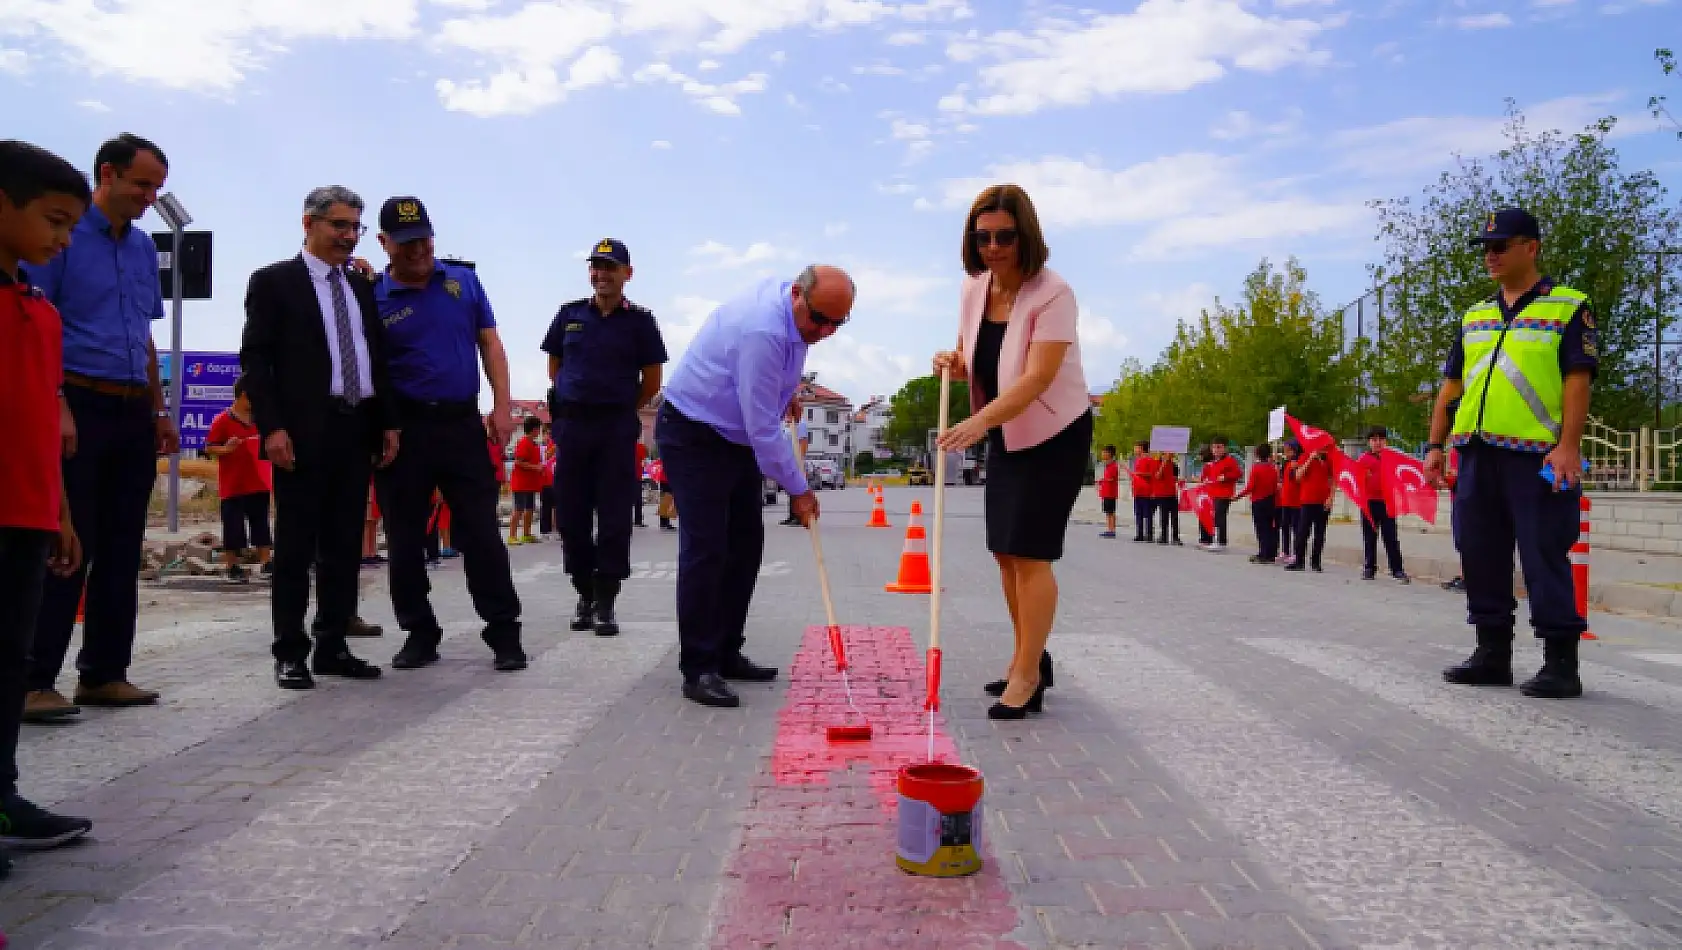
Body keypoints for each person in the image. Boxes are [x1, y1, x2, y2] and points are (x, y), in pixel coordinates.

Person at [20, 134, 174, 723]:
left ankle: (105, 674)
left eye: (157, 187)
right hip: (76, 403)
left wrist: (159, 410)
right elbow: (43, 325)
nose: (149, 197)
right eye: (141, 184)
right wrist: (56, 403)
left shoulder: (141, 250)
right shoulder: (60, 238)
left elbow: (144, 335)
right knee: (67, 545)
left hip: (132, 407)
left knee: (119, 546)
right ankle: (35, 680)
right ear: (106, 174)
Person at [657, 265, 851, 707]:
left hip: (733, 434)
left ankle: (727, 650)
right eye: (821, 320)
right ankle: (699, 666)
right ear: (798, 295)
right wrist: (799, 490)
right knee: (707, 549)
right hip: (694, 431)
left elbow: (764, 393)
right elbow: (764, 429)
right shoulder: (763, 330)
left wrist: (785, 392)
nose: (826, 331)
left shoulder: (794, 316)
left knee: (745, 546)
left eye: (838, 324)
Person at [932, 184, 1091, 722]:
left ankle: (1026, 677)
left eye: (1004, 236)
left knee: (1031, 553)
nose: (993, 247)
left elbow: (1038, 377)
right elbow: (975, 352)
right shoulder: (974, 288)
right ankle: (1030, 656)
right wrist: (952, 361)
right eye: (983, 237)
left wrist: (977, 422)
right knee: (1004, 552)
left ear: (1027, 235)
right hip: (1004, 431)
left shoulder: (1054, 293)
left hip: (1053, 433)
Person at [1426, 207, 1598, 700]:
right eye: (1486, 248)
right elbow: (1451, 386)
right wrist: (1436, 445)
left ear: (1532, 248)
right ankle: (1491, 654)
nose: (1491, 256)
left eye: (1502, 246)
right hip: (1476, 455)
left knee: (1545, 553)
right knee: (1478, 553)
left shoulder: (1568, 307)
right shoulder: (1474, 315)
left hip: (1538, 457)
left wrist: (1568, 446)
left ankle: (1560, 664)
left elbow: (1576, 381)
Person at [240, 185, 399, 690]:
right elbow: (256, 360)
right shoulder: (274, 283)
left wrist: (387, 422)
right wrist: (273, 427)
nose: (348, 237)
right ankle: (290, 651)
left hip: (355, 428)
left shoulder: (360, 287)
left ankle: (333, 644)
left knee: (342, 546)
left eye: (355, 227)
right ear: (307, 223)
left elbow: (377, 357)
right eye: (338, 225)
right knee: (294, 546)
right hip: (302, 431)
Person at [369, 196, 525, 672]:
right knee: (404, 537)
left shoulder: (464, 280)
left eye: (424, 240)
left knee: (480, 533)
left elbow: (490, 344)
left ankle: (504, 633)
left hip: (461, 425)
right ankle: (419, 632)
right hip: (403, 432)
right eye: (406, 243)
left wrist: (502, 406)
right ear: (384, 244)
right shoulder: (372, 296)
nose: (418, 251)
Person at [0, 139, 97, 880]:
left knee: (11, 664)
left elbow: (41, 424)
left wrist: (60, 514)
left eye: (71, 228)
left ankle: (3, 796)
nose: (63, 240)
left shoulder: (40, 310)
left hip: (30, 514)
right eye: (54, 221)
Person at [541, 239, 668, 638]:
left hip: (615, 430)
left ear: (627, 274)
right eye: (595, 267)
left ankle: (607, 600)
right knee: (573, 518)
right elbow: (555, 368)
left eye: (610, 267)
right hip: (574, 429)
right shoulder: (569, 316)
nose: (601, 274)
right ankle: (584, 591)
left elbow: (651, 381)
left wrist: (618, 405)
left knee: (615, 520)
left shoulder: (641, 322)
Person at [205, 377, 273, 583]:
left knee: (260, 523)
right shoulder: (222, 421)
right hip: (233, 484)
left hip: (257, 481)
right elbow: (209, 448)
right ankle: (233, 565)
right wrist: (226, 449)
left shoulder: (260, 420)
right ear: (243, 395)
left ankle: (266, 562)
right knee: (233, 526)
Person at [1358, 426, 1410, 584]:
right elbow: (1355, 482)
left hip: (1388, 503)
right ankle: (1369, 568)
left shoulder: (1392, 458)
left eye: (1381, 439)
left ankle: (1397, 570)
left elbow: (1401, 476)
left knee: (1391, 537)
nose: (1378, 442)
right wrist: (1363, 477)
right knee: (1369, 537)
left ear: (1385, 441)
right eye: (1374, 439)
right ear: (1369, 442)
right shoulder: (1363, 459)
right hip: (1369, 503)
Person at [1286, 444, 1332, 573]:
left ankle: (1316, 562)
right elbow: (1298, 477)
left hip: (1323, 501)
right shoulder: (1304, 456)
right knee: (1303, 532)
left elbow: (1332, 478)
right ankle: (1299, 561)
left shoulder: (1328, 459)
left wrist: (1331, 497)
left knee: (1320, 533)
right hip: (1307, 500)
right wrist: (1310, 459)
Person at [1236, 443, 1279, 564]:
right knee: (1270, 528)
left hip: (1258, 501)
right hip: (1270, 500)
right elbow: (1275, 486)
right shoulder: (1273, 468)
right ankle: (1271, 554)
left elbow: (1250, 487)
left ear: (1256, 454)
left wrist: (1238, 496)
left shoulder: (1256, 468)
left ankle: (1263, 553)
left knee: (1261, 528)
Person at [1198, 438, 1241, 551]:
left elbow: (1238, 473)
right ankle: (1212, 540)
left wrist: (1225, 477)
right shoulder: (1213, 462)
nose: (1216, 450)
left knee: (1219, 517)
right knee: (1214, 517)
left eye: (1219, 447)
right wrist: (1207, 480)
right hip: (1213, 493)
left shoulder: (1230, 460)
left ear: (1224, 448)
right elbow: (1210, 477)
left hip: (1224, 494)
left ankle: (1221, 542)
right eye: (1214, 447)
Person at [509, 416, 545, 545]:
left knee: (529, 509)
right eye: (538, 429)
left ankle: (526, 533)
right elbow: (519, 462)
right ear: (534, 430)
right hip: (521, 483)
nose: (539, 432)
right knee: (518, 509)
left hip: (530, 483)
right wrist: (536, 467)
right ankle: (512, 536)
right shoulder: (524, 443)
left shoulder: (534, 444)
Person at [779, 413, 811, 527]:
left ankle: (799, 516)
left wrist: (800, 460)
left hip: (795, 461)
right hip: (786, 461)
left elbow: (803, 442)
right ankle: (792, 516)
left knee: (797, 489)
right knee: (789, 490)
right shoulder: (784, 424)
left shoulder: (800, 423)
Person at [1276, 441, 1302, 567]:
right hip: (1285, 500)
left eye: (1288, 450)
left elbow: (1297, 480)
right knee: (1284, 526)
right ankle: (1285, 550)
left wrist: (1296, 467)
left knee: (1295, 528)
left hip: (1296, 501)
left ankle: (1297, 552)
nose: (1286, 452)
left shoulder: (1298, 463)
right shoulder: (1285, 463)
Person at [1125, 442, 1155, 542]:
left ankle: (1149, 534)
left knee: (1148, 514)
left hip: (1146, 491)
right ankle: (1140, 534)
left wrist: (1138, 474)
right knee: (1138, 514)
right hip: (1137, 491)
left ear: (1142, 448)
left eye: (1136, 448)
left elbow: (1151, 474)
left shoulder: (1149, 460)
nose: (1135, 450)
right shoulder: (1138, 460)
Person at [1152, 451, 1182, 545]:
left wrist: (1178, 480)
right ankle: (1164, 536)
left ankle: (1175, 537)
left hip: (1172, 493)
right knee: (1164, 517)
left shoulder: (1174, 466)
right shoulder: (1157, 463)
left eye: (1170, 453)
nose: (1168, 455)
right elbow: (1157, 476)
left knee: (1175, 517)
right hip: (1162, 494)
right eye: (1165, 453)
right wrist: (1164, 463)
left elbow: (1175, 478)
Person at [1096, 445, 1120, 539]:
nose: (1103, 454)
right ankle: (1109, 529)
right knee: (1107, 512)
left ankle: (1112, 530)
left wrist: (1103, 480)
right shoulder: (1107, 465)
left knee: (1111, 512)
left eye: (1105, 452)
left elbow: (1110, 478)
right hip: (1106, 492)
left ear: (1110, 454)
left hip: (1110, 493)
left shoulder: (1113, 466)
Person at [538, 427, 558, 540]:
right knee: (546, 506)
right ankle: (545, 530)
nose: (549, 436)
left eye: (551, 434)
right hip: (545, 480)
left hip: (556, 479)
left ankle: (557, 528)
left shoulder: (556, 443)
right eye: (547, 434)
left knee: (557, 505)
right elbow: (546, 456)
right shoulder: (541, 447)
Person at [652, 456, 675, 531]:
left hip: (663, 481)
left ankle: (663, 522)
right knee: (666, 501)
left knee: (664, 501)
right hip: (666, 481)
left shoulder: (661, 460)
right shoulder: (668, 460)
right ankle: (666, 522)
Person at [634, 440, 649, 528]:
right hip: (637, 477)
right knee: (638, 500)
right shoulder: (640, 447)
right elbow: (643, 463)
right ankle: (638, 520)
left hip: (625, 476)